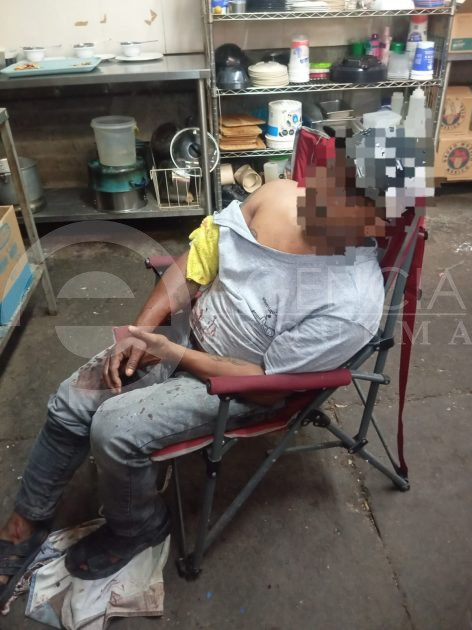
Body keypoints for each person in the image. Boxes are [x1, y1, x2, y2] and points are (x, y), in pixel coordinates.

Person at [0, 148, 386, 602]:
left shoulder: (351, 303)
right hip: (184, 334)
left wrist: (173, 355)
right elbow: (198, 258)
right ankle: (26, 520)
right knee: (71, 400)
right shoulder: (278, 196)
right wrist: (145, 332)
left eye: (350, 199)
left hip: (235, 389)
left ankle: (140, 526)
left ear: (376, 221)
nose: (325, 199)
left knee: (113, 430)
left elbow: (265, 386)